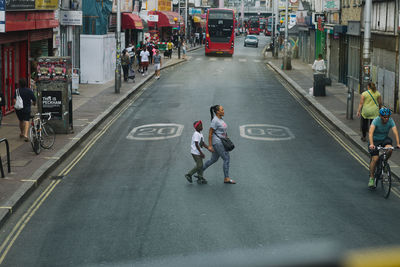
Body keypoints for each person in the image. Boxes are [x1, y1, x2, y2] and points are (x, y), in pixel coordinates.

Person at [203, 105, 236, 184]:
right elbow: (210, 133)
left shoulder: (221, 118)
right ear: (217, 112)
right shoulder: (215, 121)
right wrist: (210, 146)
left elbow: (222, 130)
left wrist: (226, 137)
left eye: (223, 109)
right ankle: (226, 178)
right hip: (218, 142)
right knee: (226, 158)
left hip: (221, 141)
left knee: (213, 159)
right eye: (222, 110)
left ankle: (200, 171)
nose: (223, 111)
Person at [367, 107, 400, 187]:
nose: (386, 119)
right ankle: (371, 178)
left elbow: (395, 132)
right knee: (375, 159)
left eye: (388, 117)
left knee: (390, 149)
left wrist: (398, 143)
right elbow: (370, 133)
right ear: (380, 116)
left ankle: (385, 162)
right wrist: (371, 144)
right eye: (385, 117)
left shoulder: (390, 121)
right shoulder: (376, 121)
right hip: (374, 141)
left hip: (384, 139)